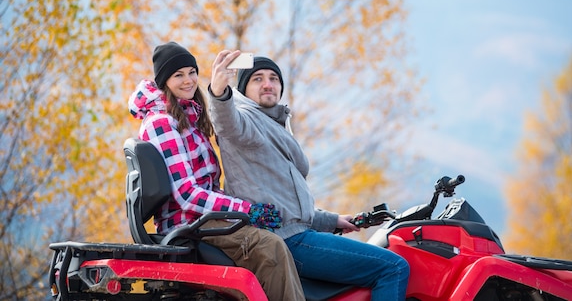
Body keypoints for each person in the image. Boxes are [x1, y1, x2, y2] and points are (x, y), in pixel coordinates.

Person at [208, 50, 411, 301]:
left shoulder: (272, 124)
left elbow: (287, 206)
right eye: (257, 79)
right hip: (288, 242)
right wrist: (219, 93)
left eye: (273, 78)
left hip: (296, 234)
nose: (268, 84)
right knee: (393, 267)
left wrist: (331, 220)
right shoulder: (246, 120)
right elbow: (226, 122)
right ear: (243, 89)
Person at [128, 42, 305, 301]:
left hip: (203, 218)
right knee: (270, 247)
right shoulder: (162, 122)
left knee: (268, 239)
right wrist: (246, 210)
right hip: (187, 222)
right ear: (164, 80)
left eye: (192, 72)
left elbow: (207, 187)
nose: (188, 81)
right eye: (178, 75)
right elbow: (188, 194)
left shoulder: (188, 116)